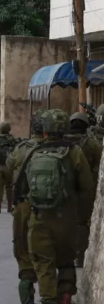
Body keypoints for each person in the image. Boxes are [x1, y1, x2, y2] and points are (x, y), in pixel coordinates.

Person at [20, 109, 94, 304]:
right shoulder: (75, 152)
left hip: (40, 218)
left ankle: (48, 303)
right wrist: (83, 219)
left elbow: (23, 189)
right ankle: (66, 296)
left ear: (44, 131)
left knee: (44, 263)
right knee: (66, 260)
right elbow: (87, 189)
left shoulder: (33, 152)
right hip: (67, 219)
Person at [6, 110, 45, 304]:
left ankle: (26, 295)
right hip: (49, 208)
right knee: (48, 250)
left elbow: (8, 167)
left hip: (23, 206)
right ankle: (54, 298)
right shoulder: (59, 149)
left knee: (22, 247)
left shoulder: (21, 148)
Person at [64, 112, 102, 268]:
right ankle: (79, 258)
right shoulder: (92, 144)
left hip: (64, 189)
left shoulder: (61, 142)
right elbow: (100, 165)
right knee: (81, 223)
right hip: (85, 190)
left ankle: (64, 257)